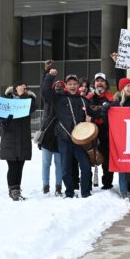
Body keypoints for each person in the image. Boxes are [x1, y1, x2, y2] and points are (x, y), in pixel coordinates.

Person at [42, 70, 99, 198]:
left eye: (75, 84)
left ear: (78, 86)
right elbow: (45, 92)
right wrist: (50, 76)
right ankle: (69, 193)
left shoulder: (84, 100)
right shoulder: (59, 98)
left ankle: (85, 193)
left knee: (85, 167)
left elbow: (95, 113)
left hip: (80, 141)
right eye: (70, 84)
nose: (73, 86)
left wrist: (95, 116)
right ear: (66, 86)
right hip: (64, 139)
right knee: (66, 169)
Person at [103, 77, 130, 203]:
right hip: (120, 140)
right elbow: (107, 121)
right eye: (127, 86)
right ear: (122, 88)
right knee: (122, 167)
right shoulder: (115, 104)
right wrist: (105, 110)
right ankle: (124, 191)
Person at [0, 81, 36, 201]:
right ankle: (12, 190)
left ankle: (17, 189)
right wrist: (3, 123)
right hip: (9, 140)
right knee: (12, 166)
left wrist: (23, 95)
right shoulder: (5, 100)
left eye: (24, 89)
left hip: (23, 139)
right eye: (19, 88)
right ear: (13, 88)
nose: (21, 90)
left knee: (20, 166)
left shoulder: (29, 100)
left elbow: (33, 108)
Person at [86, 72, 114, 189]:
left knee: (106, 159)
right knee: (88, 157)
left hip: (105, 132)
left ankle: (107, 184)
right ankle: (87, 182)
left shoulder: (111, 98)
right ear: (94, 83)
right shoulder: (88, 98)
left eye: (102, 81)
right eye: (97, 81)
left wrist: (94, 117)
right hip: (90, 133)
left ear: (106, 84)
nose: (99, 83)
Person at [39, 60, 63, 196]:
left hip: (60, 136)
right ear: (52, 88)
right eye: (56, 86)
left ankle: (58, 187)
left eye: (61, 86)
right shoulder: (48, 98)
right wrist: (47, 74)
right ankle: (45, 186)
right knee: (45, 163)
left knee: (59, 164)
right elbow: (44, 88)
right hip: (47, 134)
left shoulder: (65, 100)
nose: (59, 88)